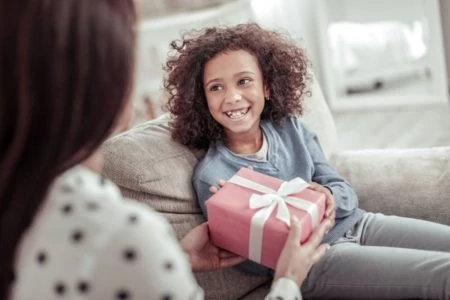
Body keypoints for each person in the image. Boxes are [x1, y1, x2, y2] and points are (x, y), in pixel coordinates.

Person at [0, 1, 332, 299]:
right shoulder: (124, 234)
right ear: (105, 81)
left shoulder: (29, 210)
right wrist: (288, 281)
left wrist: (179, 258)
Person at [165, 23, 450, 299]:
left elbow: (343, 190)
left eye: (244, 81)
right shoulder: (213, 175)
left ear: (266, 86)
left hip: (359, 223)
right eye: (216, 88)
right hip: (314, 263)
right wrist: (251, 222)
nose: (232, 97)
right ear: (203, 99)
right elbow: (251, 263)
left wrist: (328, 197)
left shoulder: (291, 128)